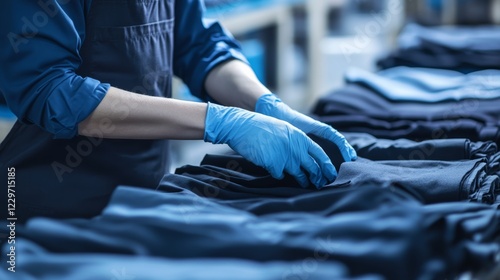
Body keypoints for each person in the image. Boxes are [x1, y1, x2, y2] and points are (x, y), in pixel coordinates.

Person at [0, 0, 356, 221]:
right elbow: (49, 90)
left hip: (145, 200)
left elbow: (199, 44)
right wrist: (217, 121)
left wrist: (263, 104)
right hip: (46, 211)